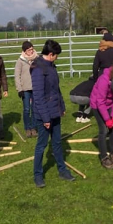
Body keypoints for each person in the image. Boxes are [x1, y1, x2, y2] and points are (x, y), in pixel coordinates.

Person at [31, 39, 75, 188]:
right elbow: (38, 97)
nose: (57, 58)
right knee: (41, 145)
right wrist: (45, 118)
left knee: (57, 143)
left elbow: (56, 89)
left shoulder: (51, 66)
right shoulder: (38, 69)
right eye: (56, 55)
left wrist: (61, 106)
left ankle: (62, 170)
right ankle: (37, 175)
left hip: (54, 112)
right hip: (44, 115)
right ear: (50, 54)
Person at [15, 41, 38, 138]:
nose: (31, 51)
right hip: (25, 89)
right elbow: (17, 75)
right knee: (26, 109)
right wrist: (19, 89)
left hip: (36, 88)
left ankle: (33, 127)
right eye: (29, 50)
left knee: (34, 109)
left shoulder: (37, 59)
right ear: (24, 51)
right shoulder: (20, 61)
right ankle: (27, 128)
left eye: (32, 49)